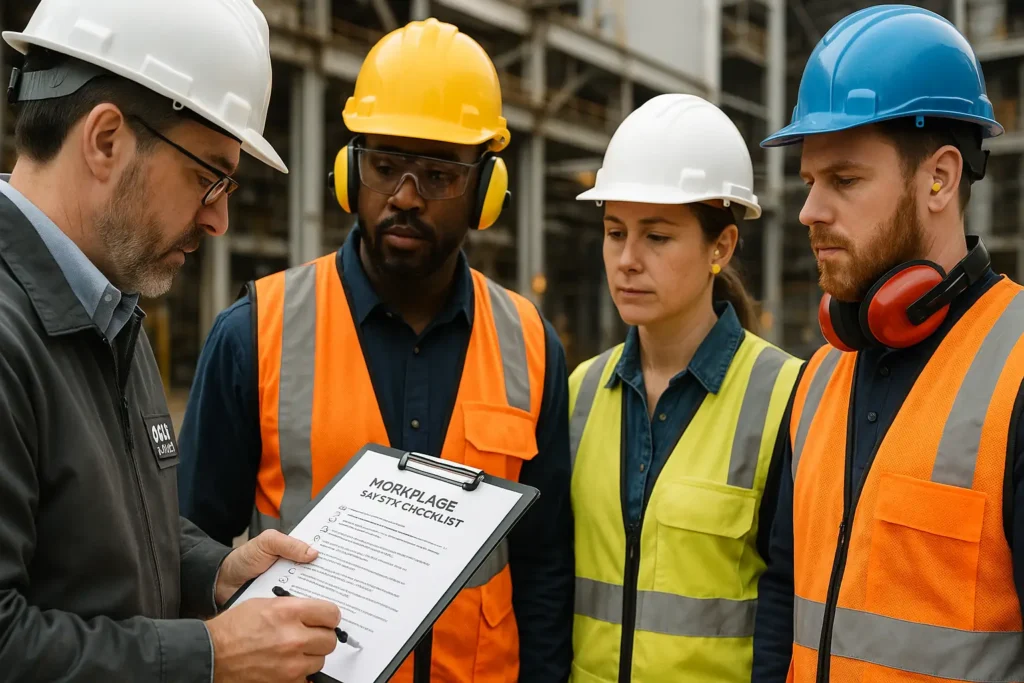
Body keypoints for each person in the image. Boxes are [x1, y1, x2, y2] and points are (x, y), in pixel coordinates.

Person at [176, 17, 575, 683]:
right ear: (348, 172)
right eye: (385, 166)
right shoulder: (255, 332)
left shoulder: (530, 345)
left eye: (440, 174)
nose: (405, 196)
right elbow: (185, 553)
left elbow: (543, 571)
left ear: (487, 189)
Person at [0, 0, 350, 681]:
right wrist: (213, 654)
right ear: (106, 140)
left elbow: (103, 539)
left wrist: (213, 568)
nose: (219, 217)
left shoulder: (109, 310)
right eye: (207, 175)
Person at [752, 5, 1024, 682]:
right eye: (811, 180)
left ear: (939, 178)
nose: (809, 209)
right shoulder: (818, 379)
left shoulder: (1019, 371)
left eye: (844, 180)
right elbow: (783, 598)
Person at [566, 93, 804, 683]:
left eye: (657, 237)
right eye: (614, 232)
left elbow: (789, 607)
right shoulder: (579, 392)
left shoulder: (788, 395)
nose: (627, 259)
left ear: (720, 247)